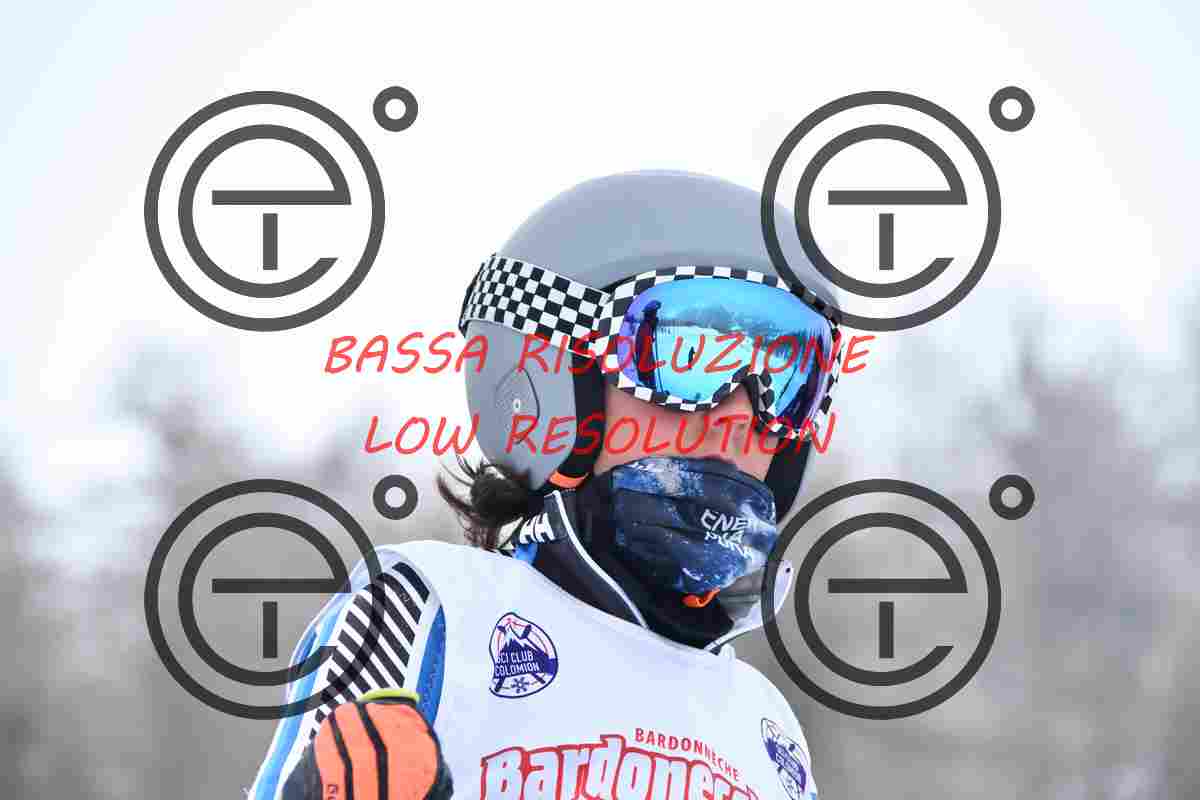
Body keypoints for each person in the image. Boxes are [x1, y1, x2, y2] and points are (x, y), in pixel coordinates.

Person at [248, 170, 841, 800]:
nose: (740, 414)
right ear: (553, 377)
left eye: (787, 378)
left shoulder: (766, 729)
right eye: (690, 360)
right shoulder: (431, 608)